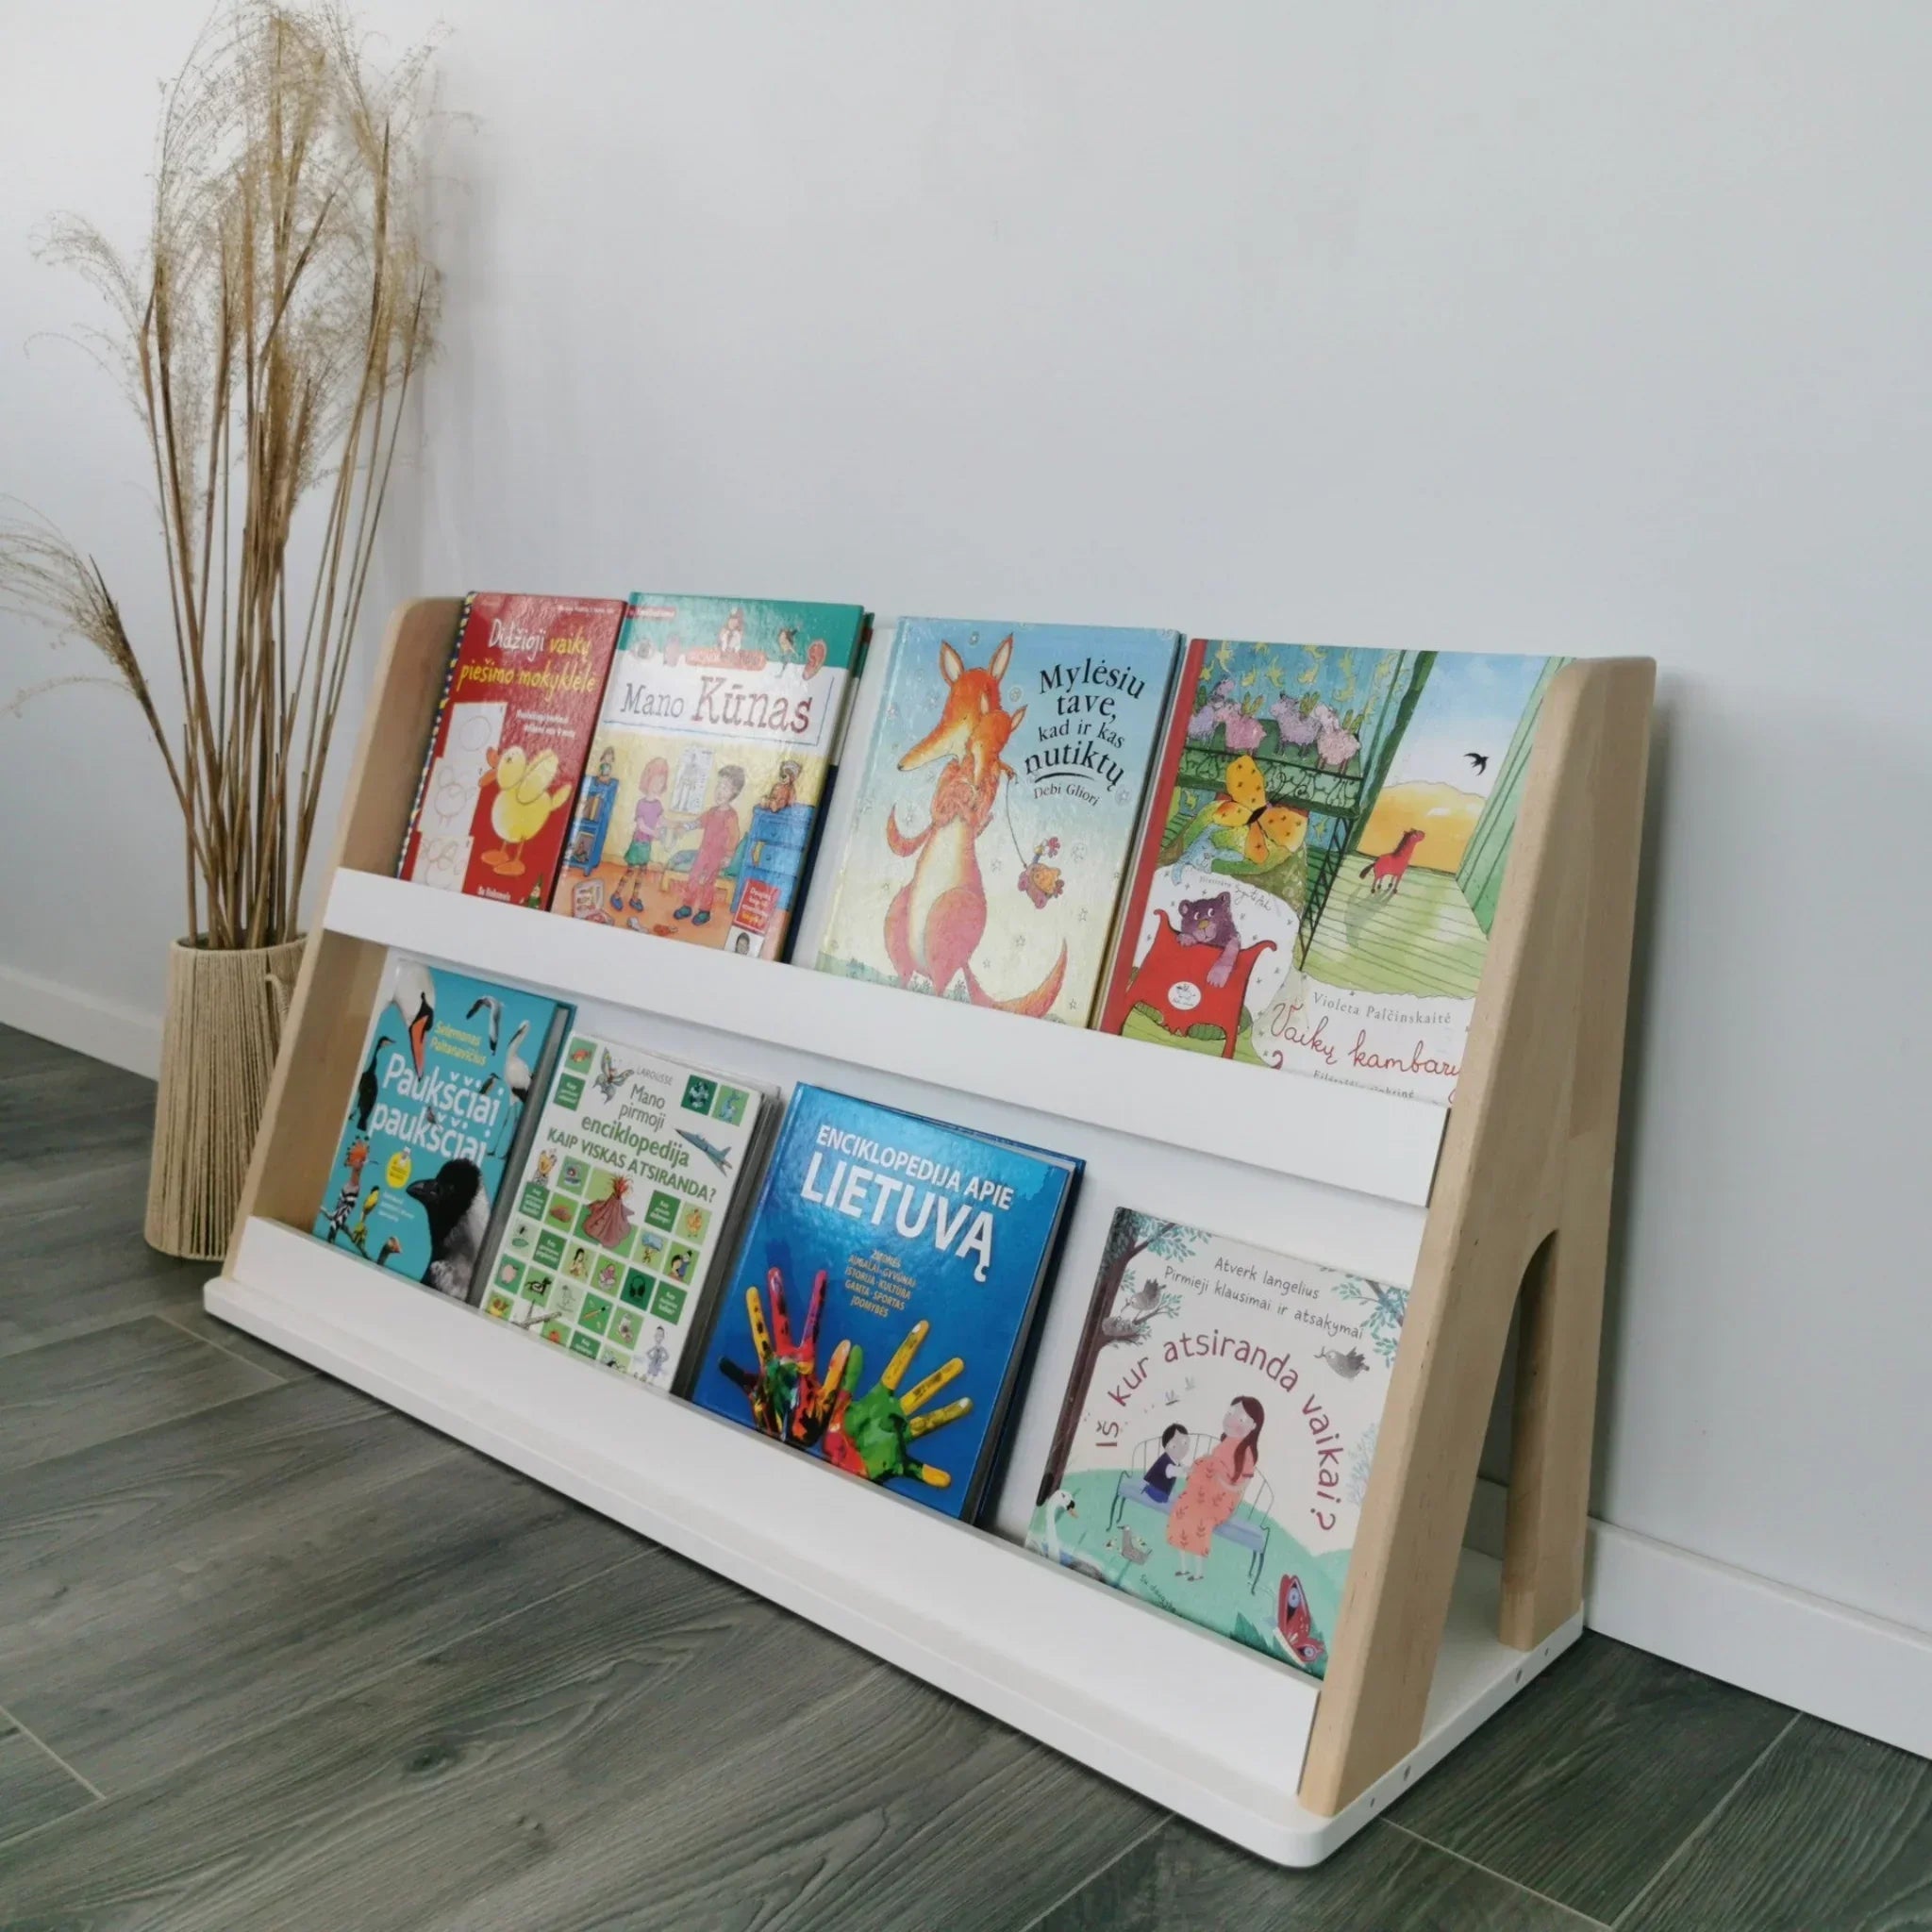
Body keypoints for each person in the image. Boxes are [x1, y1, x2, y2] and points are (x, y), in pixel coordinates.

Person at [1166, 1397, 1264, 1582]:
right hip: (1206, 1490)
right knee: (1183, 1509)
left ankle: (1199, 1572)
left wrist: (1225, 1484)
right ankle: (1184, 1567)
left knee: (1200, 1521)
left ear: (1253, 1426)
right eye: (1230, 1414)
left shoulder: (1246, 1453)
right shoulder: (1225, 1442)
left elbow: (1243, 1485)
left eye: (1241, 1419)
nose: (1231, 1420)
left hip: (1223, 1497)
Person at [672, 764, 746, 927]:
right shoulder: (712, 811)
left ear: (734, 792)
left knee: (707, 882)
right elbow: (699, 822)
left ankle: (704, 911)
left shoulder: (731, 816)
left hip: (717, 857)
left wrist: (728, 855)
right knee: (693, 877)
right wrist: (685, 827)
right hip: (703, 853)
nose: (720, 790)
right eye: (719, 785)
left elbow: (734, 836)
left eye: (725, 787)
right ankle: (687, 906)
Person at [612, 756, 668, 912]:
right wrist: (654, 833)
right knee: (631, 870)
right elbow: (641, 826)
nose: (658, 785)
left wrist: (670, 826)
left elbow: (661, 820)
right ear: (647, 780)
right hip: (638, 844)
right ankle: (616, 895)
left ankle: (634, 898)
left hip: (647, 845)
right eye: (656, 780)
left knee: (642, 872)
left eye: (661, 782)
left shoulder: (658, 805)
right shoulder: (641, 804)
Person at [1142, 1423, 1191, 1503]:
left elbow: (1180, 1468)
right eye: (1175, 1446)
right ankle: (1146, 1489)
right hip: (1156, 1489)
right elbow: (1171, 1470)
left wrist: (1187, 1471)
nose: (1182, 1448)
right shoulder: (1165, 1460)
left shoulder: (1175, 1461)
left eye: (1185, 1443)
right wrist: (1184, 1470)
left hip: (1163, 1491)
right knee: (1164, 1499)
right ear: (1167, 1447)